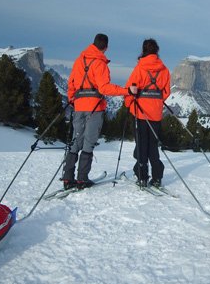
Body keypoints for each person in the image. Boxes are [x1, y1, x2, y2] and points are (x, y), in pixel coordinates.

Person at [63, 33, 137, 189]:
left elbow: (72, 83)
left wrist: (72, 100)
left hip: (78, 105)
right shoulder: (100, 63)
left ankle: (67, 178)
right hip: (94, 107)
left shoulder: (79, 60)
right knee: (88, 143)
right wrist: (127, 91)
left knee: (76, 141)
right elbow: (104, 88)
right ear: (106, 47)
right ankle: (82, 179)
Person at [125, 38, 171, 188]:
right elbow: (166, 92)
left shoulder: (139, 69)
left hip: (140, 112)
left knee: (141, 145)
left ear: (143, 51)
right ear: (157, 51)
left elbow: (130, 89)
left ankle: (142, 176)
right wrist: (156, 102)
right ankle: (157, 177)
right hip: (156, 113)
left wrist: (130, 104)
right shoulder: (164, 70)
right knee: (153, 145)